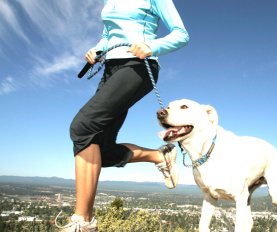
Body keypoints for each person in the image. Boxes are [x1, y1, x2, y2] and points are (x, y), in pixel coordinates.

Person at [56, 0, 189, 231]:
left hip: (139, 66)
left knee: (83, 127)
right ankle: (160, 157)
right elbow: (108, 35)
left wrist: (152, 46)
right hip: (111, 69)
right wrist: (97, 49)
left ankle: (82, 222)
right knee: (102, 152)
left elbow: (181, 34)